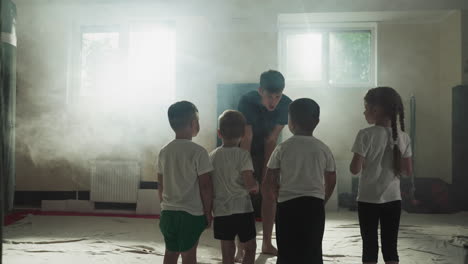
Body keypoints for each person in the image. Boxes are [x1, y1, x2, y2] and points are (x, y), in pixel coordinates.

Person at [263, 98, 337, 263]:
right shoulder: (323, 148)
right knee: (313, 247)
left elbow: (269, 178)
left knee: (287, 248)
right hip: (314, 205)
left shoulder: (282, 147)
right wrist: (323, 198)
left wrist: (275, 195)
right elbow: (331, 178)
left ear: (291, 122)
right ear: (316, 122)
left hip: (287, 205)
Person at [350, 87, 413, 264]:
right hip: (393, 199)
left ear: (375, 110)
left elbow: (354, 169)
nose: (364, 112)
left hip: (368, 199)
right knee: (390, 246)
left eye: (365, 107)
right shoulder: (404, 137)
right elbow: (407, 172)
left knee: (369, 245)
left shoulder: (365, 134)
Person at [238, 70, 292, 255]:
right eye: (270, 96)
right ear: (261, 91)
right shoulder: (247, 100)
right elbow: (247, 137)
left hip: (269, 150)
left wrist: (265, 175)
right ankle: (241, 245)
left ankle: (267, 242)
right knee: (243, 194)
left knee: (269, 193)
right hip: (246, 149)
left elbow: (271, 139)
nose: (273, 102)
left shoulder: (286, 104)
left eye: (277, 96)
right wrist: (248, 173)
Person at [157, 101, 214, 264]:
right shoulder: (199, 152)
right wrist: (208, 212)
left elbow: (160, 184)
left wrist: (163, 207)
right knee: (189, 255)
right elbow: (205, 186)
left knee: (170, 253)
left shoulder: (164, 151)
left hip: (168, 213)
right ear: (194, 123)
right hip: (191, 214)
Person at [210, 110, 259, 264]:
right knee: (250, 248)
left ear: (219, 133)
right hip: (242, 209)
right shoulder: (243, 155)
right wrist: (256, 186)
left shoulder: (211, 156)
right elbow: (249, 184)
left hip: (221, 210)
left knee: (227, 250)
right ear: (243, 134)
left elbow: (208, 184)